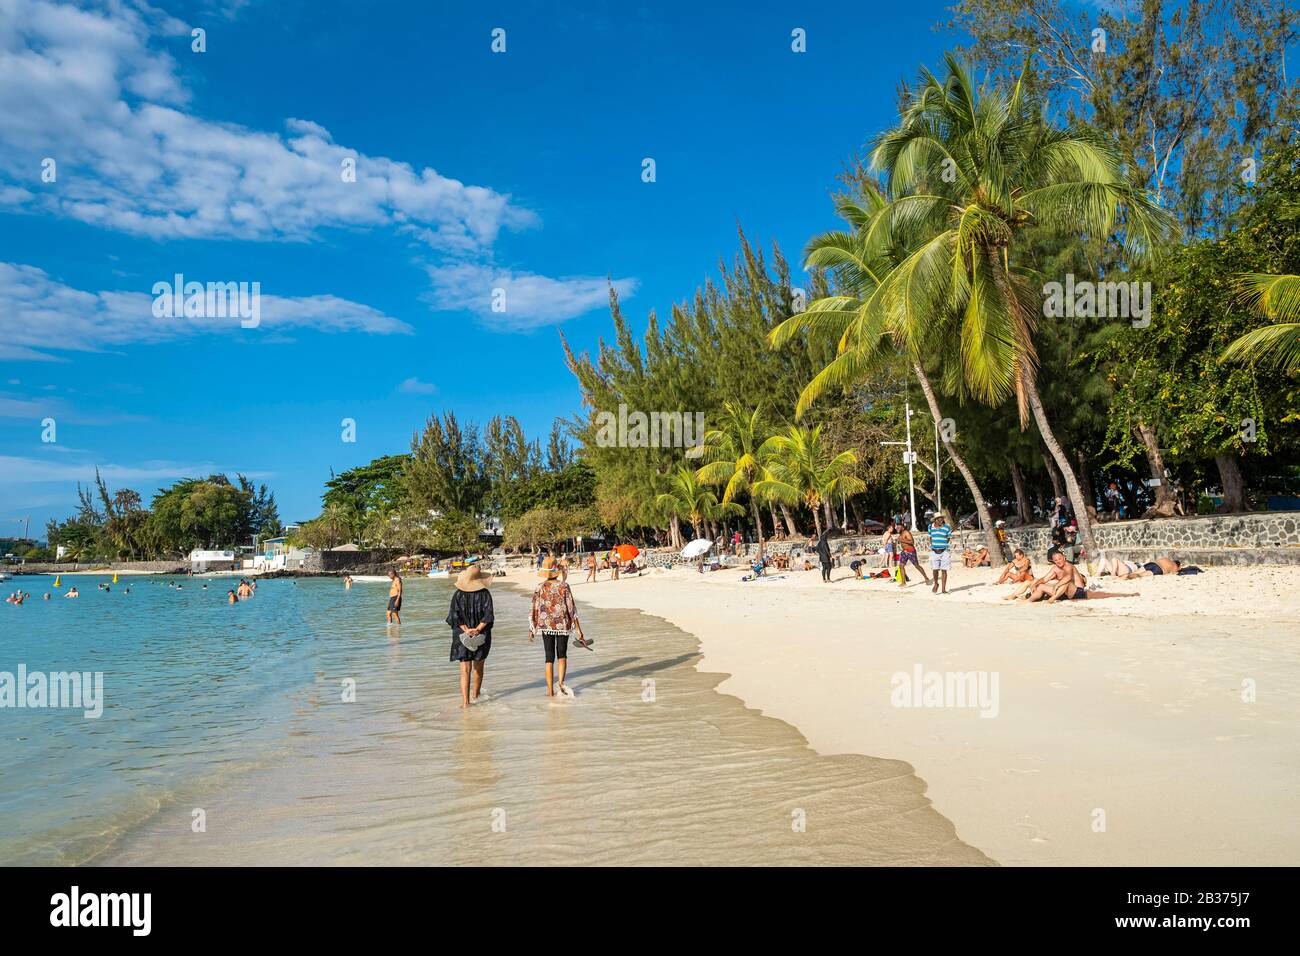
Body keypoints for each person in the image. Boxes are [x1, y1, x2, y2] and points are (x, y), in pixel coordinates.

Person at [529, 556, 587, 697]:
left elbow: (534, 609)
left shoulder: (539, 587)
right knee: (562, 655)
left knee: (549, 657)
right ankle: (560, 685)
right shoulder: (564, 586)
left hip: (545, 625)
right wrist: (579, 630)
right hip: (562, 625)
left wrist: (532, 629)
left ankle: (549, 691)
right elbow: (572, 609)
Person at [447, 565, 494, 708]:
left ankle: (466, 703)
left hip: (462, 635)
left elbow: (453, 616)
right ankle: (476, 696)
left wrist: (466, 629)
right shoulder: (485, 594)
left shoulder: (458, 594)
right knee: (478, 669)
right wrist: (478, 629)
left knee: (464, 671)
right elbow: (489, 615)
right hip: (482, 634)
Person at [928, 513, 952, 594]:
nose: (941, 520)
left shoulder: (947, 527)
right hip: (934, 551)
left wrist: (943, 545)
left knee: (944, 570)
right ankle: (936, 584)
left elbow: (948, 538)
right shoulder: (930, 527)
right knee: (935, 569)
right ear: (935, 520)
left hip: (944, 551)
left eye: (942, 518)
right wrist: (933, 545)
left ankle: (943, 589)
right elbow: (930, 537)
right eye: (939, 518)